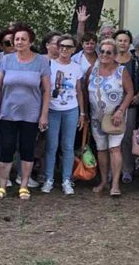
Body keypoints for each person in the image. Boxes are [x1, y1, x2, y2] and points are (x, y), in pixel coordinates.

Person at [0, 24, 50, 201]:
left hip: (31, 115)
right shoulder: (6, 61)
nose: (19, 42)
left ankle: (23, 186)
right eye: (16, 39)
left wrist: (44, 114)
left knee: (27, 149)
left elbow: (46, 90)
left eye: (23, 39)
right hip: (7, 113)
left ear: (30, 41)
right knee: (6, 148)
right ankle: (2, 185)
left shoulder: (41, 62)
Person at [84, 39, 134, 196]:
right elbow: (85, 92)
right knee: (101, 149)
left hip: (115, 117)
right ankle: (104, 181)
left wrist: (120, 111)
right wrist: (84, 113)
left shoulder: (121, 71)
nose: (104, 55)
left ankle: (115, 184)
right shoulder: (92, 70)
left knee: (115, 148)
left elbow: (130, 92)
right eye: (102, 51)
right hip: (96, 118)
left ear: (115, 55)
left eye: (108, 52)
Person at [42, 35, 84, 195]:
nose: (65, 49)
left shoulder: (76, 67)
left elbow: (79, 91)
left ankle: (67, 179)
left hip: (71, 110)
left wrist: (82, 112)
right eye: (62, 46)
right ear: (58, 48)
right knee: (51, 146)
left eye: (69, 46)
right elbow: (44, 89)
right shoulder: (49, 64)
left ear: (74, 49)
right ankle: (48, 179)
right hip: (52, 109)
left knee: (68, 146)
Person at [114, 29, 139, 183]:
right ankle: (111, 169)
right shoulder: (108, 57)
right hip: (111, 104)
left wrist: (138, 96)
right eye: (119, 40)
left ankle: (127, 169)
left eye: (125, 40)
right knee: (110, 135)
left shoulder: (135, 60)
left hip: (130, 105)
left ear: (129, 43)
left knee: (126, 137)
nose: (122, 43)